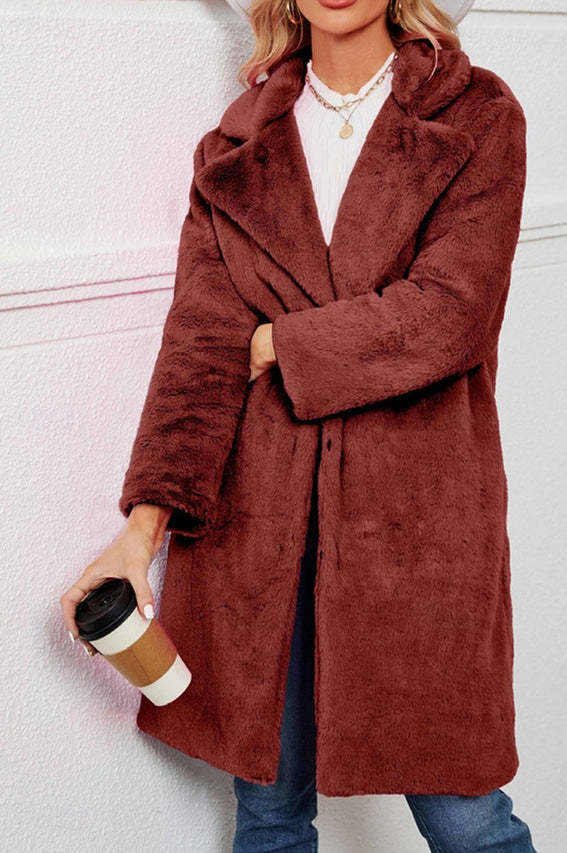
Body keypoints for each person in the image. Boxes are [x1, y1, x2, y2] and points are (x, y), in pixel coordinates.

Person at [62, 0, 537, 849]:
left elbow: (451, 314)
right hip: (258, 533)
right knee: (270, 814)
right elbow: (200, 344)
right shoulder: (234, 146)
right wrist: (140, 534)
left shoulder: (476, 114)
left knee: (468, 820)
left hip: (414, 526)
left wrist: (277, 343)